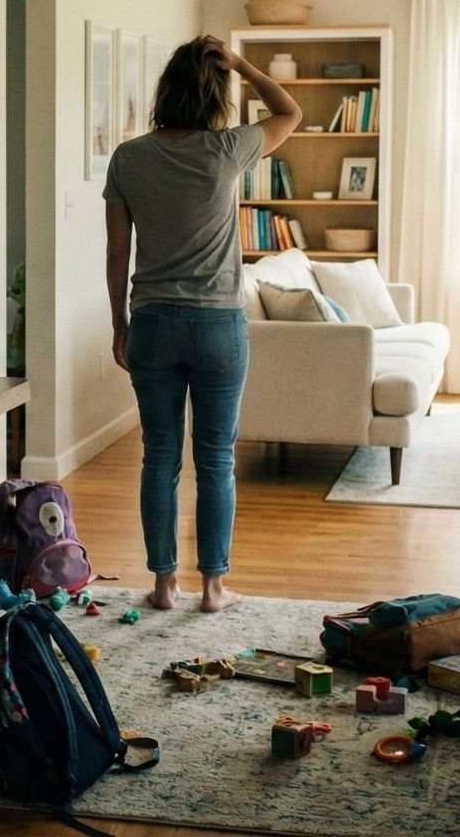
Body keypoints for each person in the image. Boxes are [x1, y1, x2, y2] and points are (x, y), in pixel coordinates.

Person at [103, 35, 301, 612]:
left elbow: (118, 253)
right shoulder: (228, 148)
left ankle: (164, 585)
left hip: (152, 324)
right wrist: (241, 63)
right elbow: (289, 111)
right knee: (215, 458)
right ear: (215, 95)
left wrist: (120, 323)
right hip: (217, 326)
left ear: (165, 91)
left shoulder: (128, 157)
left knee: (159, 456)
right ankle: (213, 588)